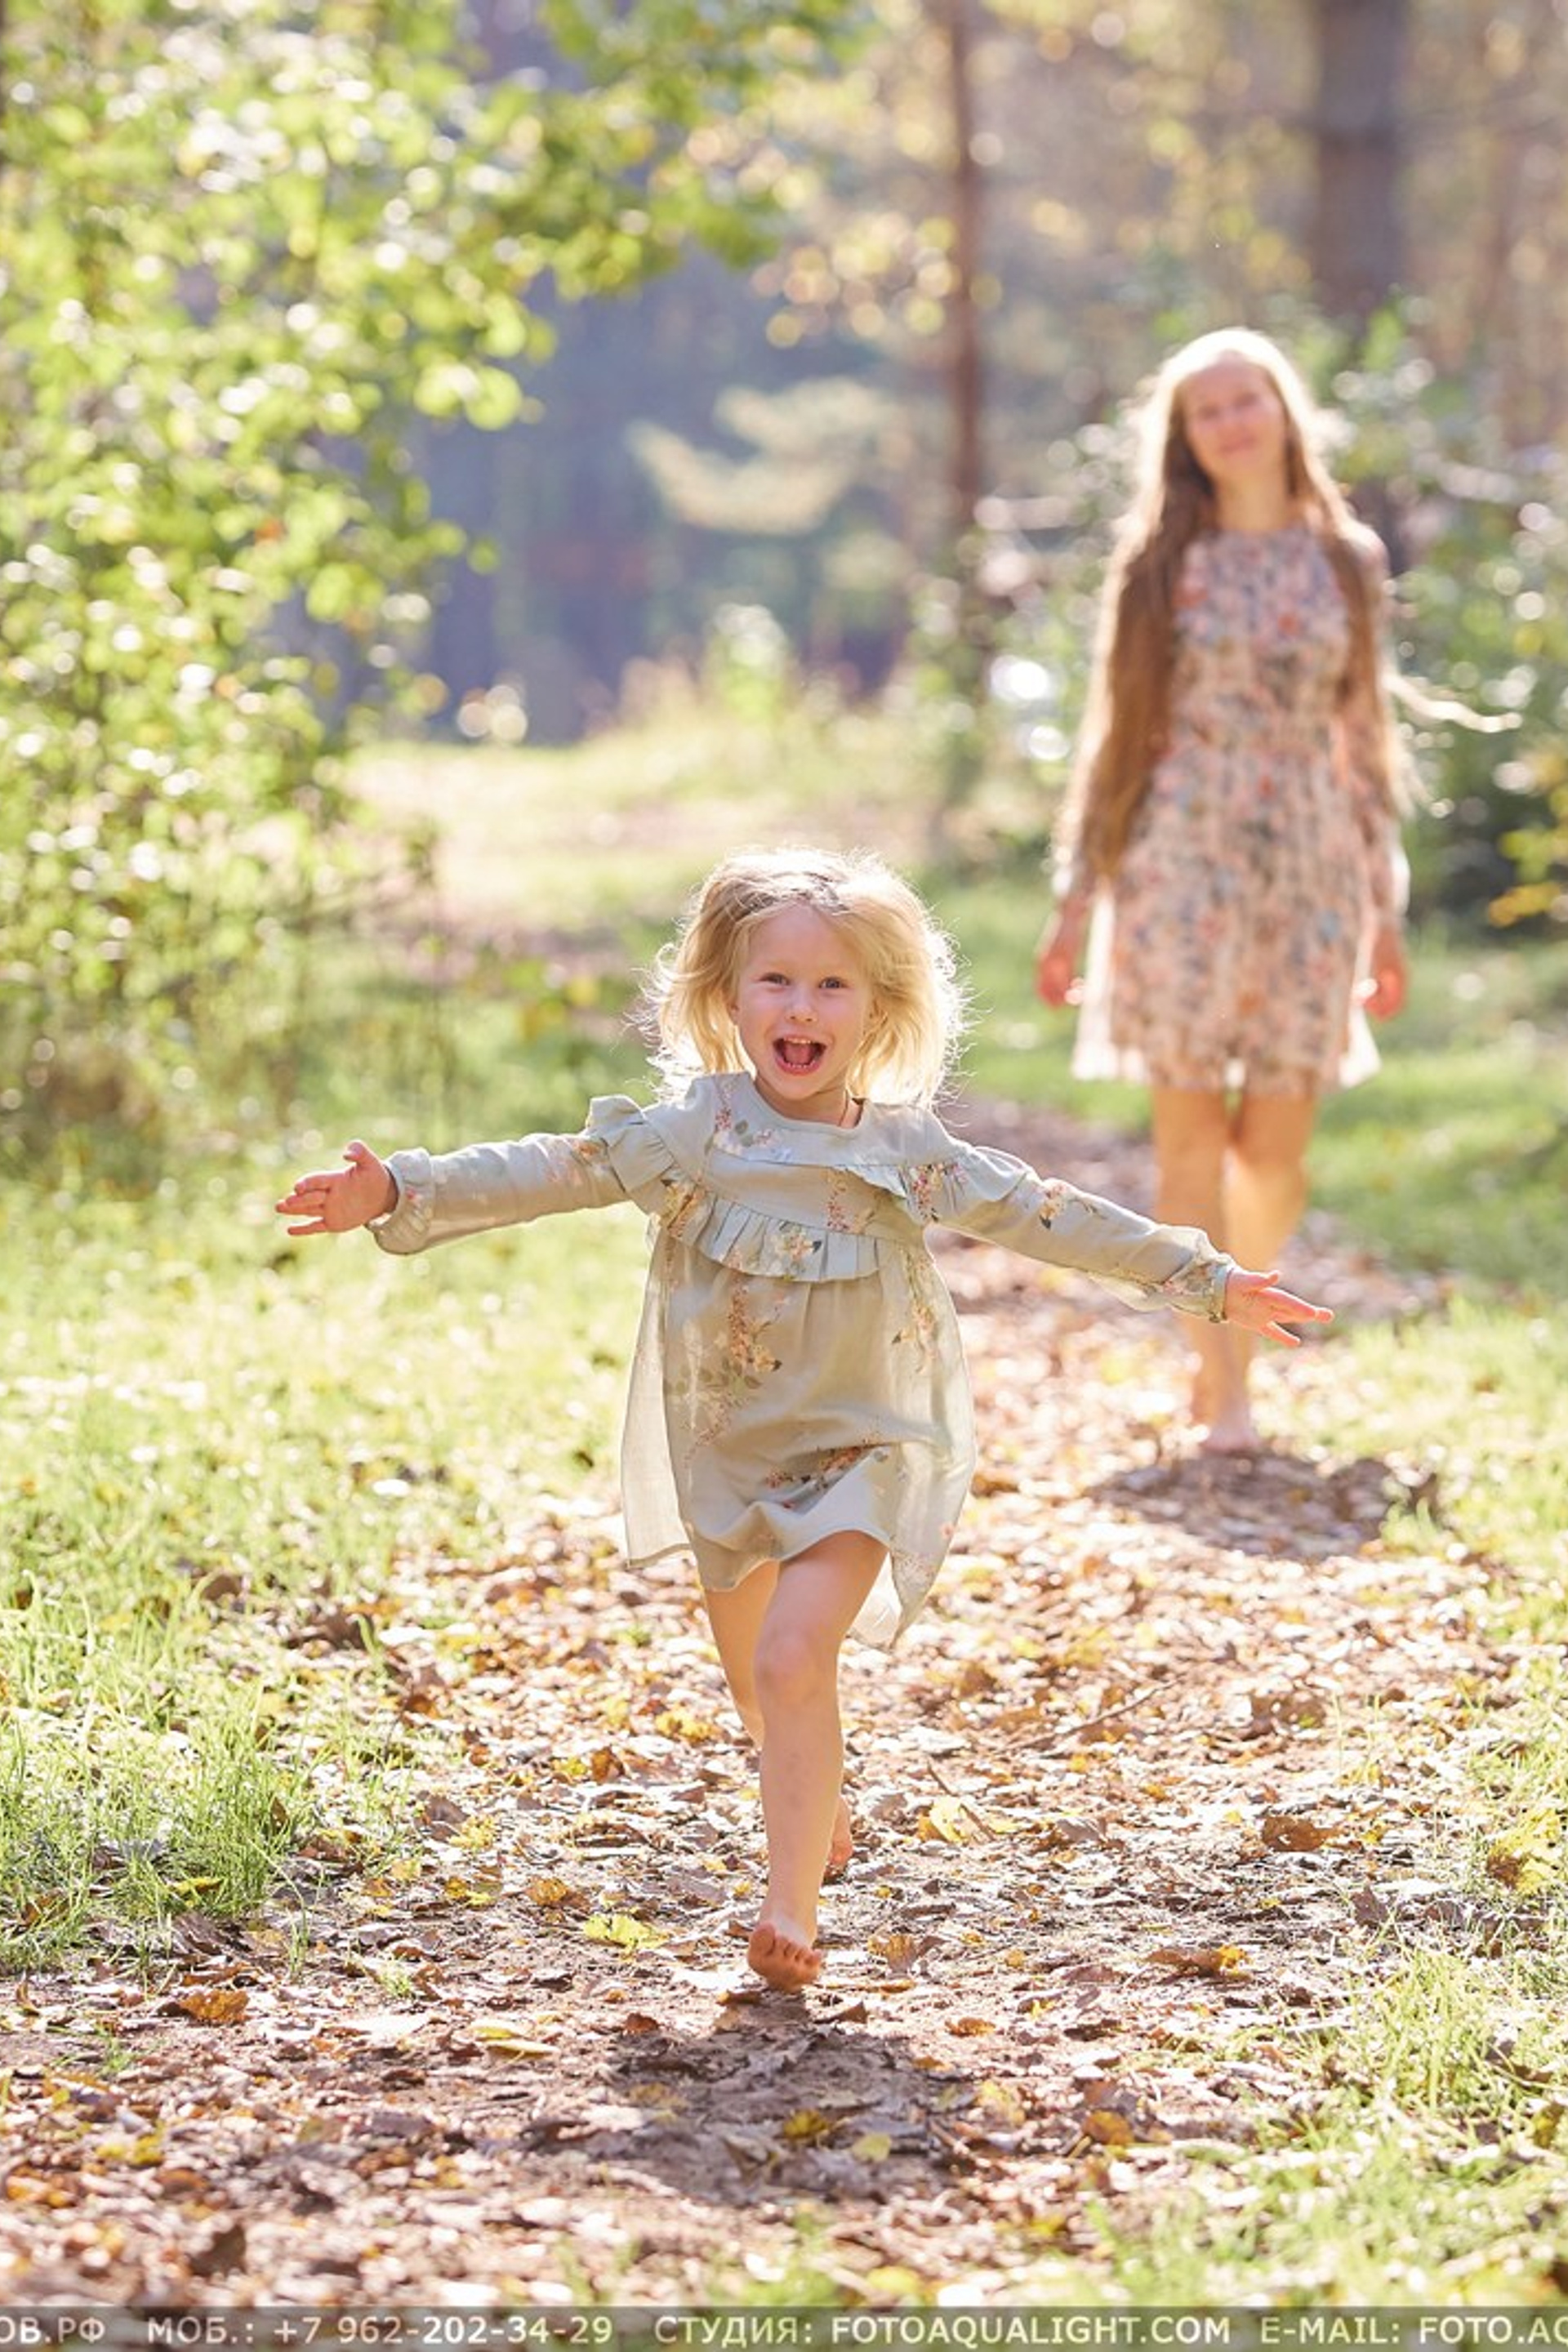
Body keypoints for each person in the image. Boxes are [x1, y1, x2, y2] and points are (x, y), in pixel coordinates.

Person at [277, 847, 1330, 1992]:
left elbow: (1046, 1214)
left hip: (868, 1446)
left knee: (793, 1658)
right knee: (758, 1687)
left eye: (833, 987)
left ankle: (790, 1911)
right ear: (728, 997)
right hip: (728, 1447)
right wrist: (401, 1191)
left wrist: (1205, 1274)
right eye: (775, 981)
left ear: (878, 1014)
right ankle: (810, 1792)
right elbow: (555, 1168)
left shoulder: (902, 1151)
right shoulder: (696, 1133)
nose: (801, 1007)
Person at [1035, 327, 1408, 1455]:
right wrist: (1075, 899)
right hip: (1177, 860)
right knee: (1192, 1135)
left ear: (1284, 411)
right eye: (1210, 411)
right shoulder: (1159, 566)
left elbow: (1367, 737)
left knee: (1276, 1148)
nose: (1234, 422)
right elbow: (1117, 736)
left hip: (1310, 863)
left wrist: (1387, 910)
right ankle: (1222, 1373)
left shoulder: (1348, 558)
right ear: (1187, 439)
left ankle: (1233, 1334)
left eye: (1249, 400)